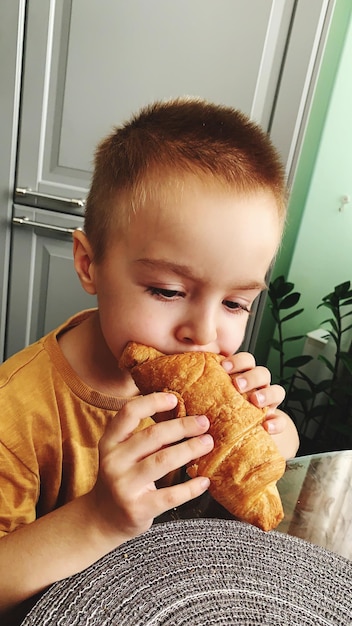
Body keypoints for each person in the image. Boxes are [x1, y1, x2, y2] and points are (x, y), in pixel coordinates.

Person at [0, 97, 299, 622]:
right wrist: (100, 518)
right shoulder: (16, 417)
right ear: (89, 265)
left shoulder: (218, 375)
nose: (204, 335)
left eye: (235, 303)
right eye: (166, 290)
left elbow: (244, 492)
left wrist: (271, 438)